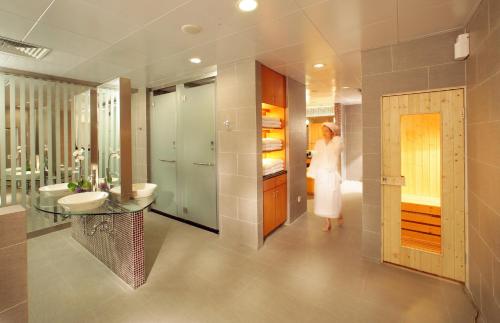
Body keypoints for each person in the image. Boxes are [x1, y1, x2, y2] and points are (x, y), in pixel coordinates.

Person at [307, 122, 344, 231]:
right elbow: (315, 158)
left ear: (332, 132)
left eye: (326, 131)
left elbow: (340, 149)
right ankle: (327, 223)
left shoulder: (336, 143)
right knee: (323, 198)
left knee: (333, 197)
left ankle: (339, 213)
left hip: (332, 175)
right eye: (323, 131)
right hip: (321, 175)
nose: (324, 133)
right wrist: (313, 173)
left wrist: (336, 136)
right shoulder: (319, 143)